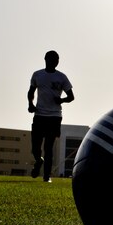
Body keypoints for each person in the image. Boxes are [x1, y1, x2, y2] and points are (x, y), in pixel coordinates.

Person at [27, 50, 74, 182]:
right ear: (46, 59)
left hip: (54, 116)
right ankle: (38, 160)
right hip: (39, 115)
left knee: (49, 147)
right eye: (52, 59)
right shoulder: (37, 75)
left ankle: (46, 177)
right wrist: (30, 104)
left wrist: (62, 100)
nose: (55, 61)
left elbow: (71, 96)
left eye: (57, 59)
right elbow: (31, 91)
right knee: (35, 147)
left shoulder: (62, 77)